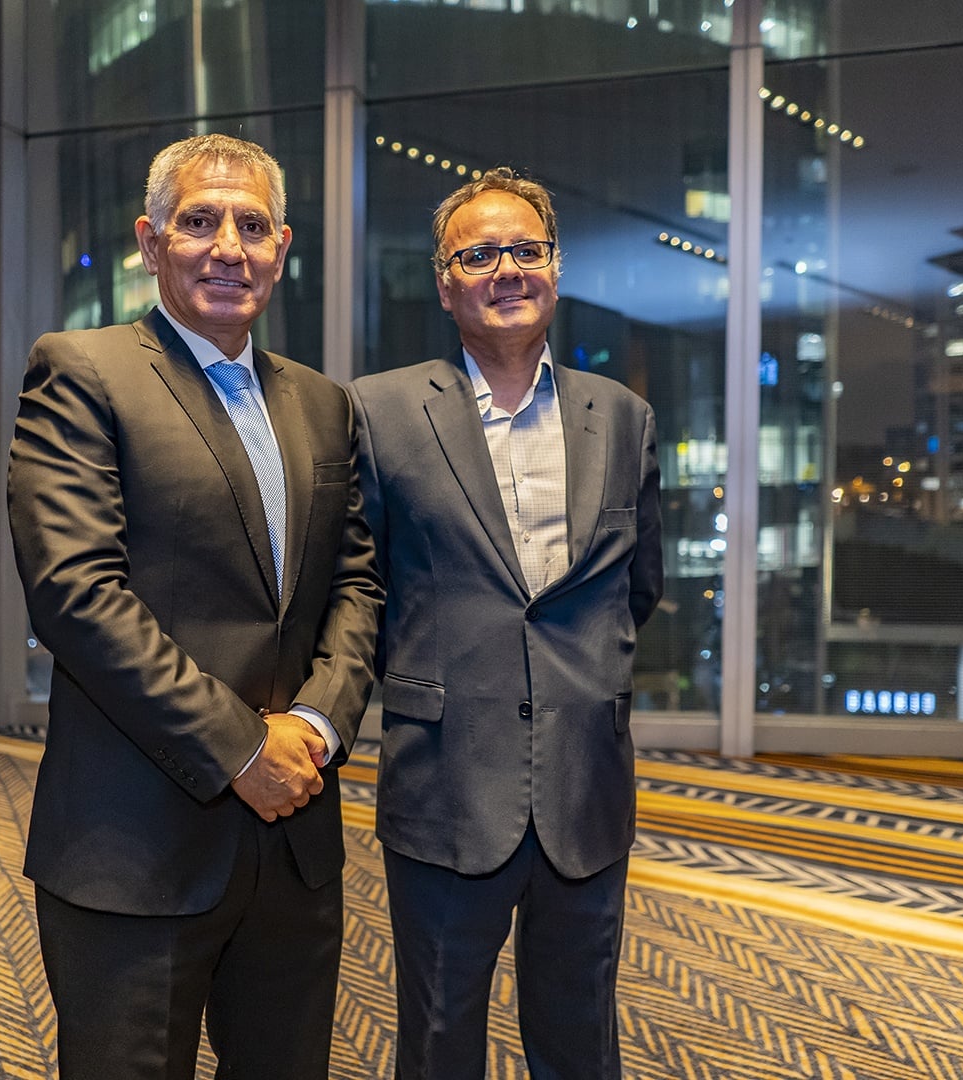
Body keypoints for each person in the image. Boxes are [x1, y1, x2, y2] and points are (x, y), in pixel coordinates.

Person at [7, 133, 381, 1080]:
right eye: (200, 221)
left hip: (294, 839)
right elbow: (75, 595)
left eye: (252, 226)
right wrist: (243, 748)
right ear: (151, 241)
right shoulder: (83, 371)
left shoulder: (324, 404)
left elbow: (356, 583)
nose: (228, 248)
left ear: (281, 248)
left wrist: (315, 727)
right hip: (136, 845)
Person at [348, 167, 664, 1080]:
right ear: (445, 284)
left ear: (555, 270)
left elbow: (637, 587)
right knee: (439, 1040)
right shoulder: (379, 411)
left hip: (585, 781)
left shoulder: (624, 417)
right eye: (479, 255)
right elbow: (362, 585)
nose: (507, 270)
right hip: (445, 780)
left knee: (580, 1040)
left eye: (527, 249)